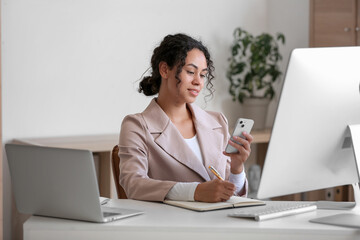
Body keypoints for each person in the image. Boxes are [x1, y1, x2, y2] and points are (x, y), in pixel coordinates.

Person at [118, 33, 253, 203]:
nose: (198, 82)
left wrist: (237, 168)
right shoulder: (137, 126)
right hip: (172, 226)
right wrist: (194, 192)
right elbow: (134, 184)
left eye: (202, 75)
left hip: (219, 224)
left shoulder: (217, 122)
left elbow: (230, 196)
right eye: (190, 72)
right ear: (164, 70)